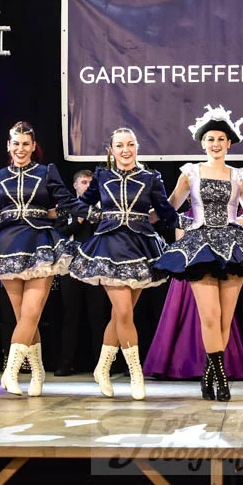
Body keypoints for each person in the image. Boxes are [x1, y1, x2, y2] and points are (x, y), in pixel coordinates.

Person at [152, 106, 243, 402]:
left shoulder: (239, 176)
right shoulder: (191, 172)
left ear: (229, 143)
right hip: (200, 247)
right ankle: (222, 379)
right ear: (203, 143)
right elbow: (170, 206)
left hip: (232, 247)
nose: (216, 144)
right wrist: (139, 215)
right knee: (211, 316)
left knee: (225, 319)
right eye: (211, 139)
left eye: (220, 139)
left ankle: (208, 375)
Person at [0, 122, 86, 397]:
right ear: (8, 146)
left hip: (40, 244)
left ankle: (10, 372)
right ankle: (37, 371)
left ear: (33, 146)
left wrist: (92, 212)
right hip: (8, 245)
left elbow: (66, 200)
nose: (20, 149)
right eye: (16, 143)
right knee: (22, 316)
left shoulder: (46, 172)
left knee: (32, 313)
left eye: (25, 144)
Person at [69, 128, 178, 400]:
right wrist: (98, 216)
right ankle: (136, 374)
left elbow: (165, 211)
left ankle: (102, 369)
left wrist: (190, 225)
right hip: (110, 247)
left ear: (137, 147)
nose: (125, 150)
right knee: (125, 312)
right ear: (112, 150)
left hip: (141, 248)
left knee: (120, 316)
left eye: (130, 144)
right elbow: (79, 205)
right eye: (119, 145)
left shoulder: (150, 178)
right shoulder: (102, 176)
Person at [56, 169, 112, 376]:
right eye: (84, 182)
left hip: (95, 267)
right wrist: (77, 219)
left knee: (98, 315)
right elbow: (59, 232)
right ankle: (66, 362)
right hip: (70, 266)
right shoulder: (66, 208)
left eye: (90, 182)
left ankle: (102, 365)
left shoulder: (102, 209)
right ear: (75, 186)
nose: (87, 186)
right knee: (70, 315)